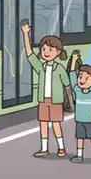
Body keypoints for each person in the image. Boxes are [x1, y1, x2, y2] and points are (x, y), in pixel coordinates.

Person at [21, 22, 71, 158]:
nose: (46, 53)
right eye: (43, 50)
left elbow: (67, 86)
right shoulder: (40, 67)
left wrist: (71, 103)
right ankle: (44, 149)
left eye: (50, 50)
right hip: (43, 100)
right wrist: (26, 34)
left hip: (56, 101)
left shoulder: (60, 68)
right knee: (43, 124)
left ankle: (61, 147)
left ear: (57, 52)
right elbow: (29, 53)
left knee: (55, 124)